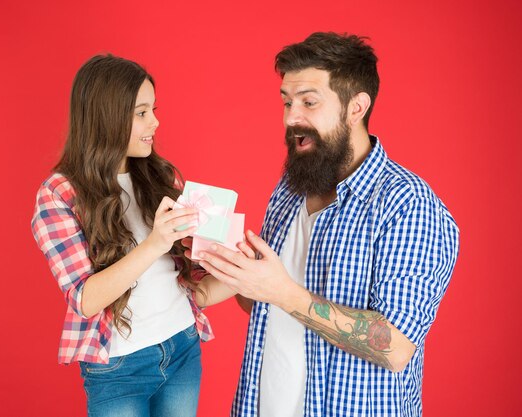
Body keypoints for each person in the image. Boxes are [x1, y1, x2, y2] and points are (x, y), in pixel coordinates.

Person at [197, 32, 460, 417]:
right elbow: (264, 303)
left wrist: (282, 290)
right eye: (287, 102)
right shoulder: (292, 186)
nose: (291, 118)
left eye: (308, 102)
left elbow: (395, 346)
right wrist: (224, 267)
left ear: (356, 107)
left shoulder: (408, 205)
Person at [31, 54, 232, 417]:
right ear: (106, 116)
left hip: (183, 347)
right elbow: (85, 299)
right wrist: (155, 242)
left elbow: (194, 285)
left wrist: (239, 264)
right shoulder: (59, 194)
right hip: (118, 370)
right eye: (141, 112)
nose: (155, 122)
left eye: (153, 109)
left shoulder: (163, 178)